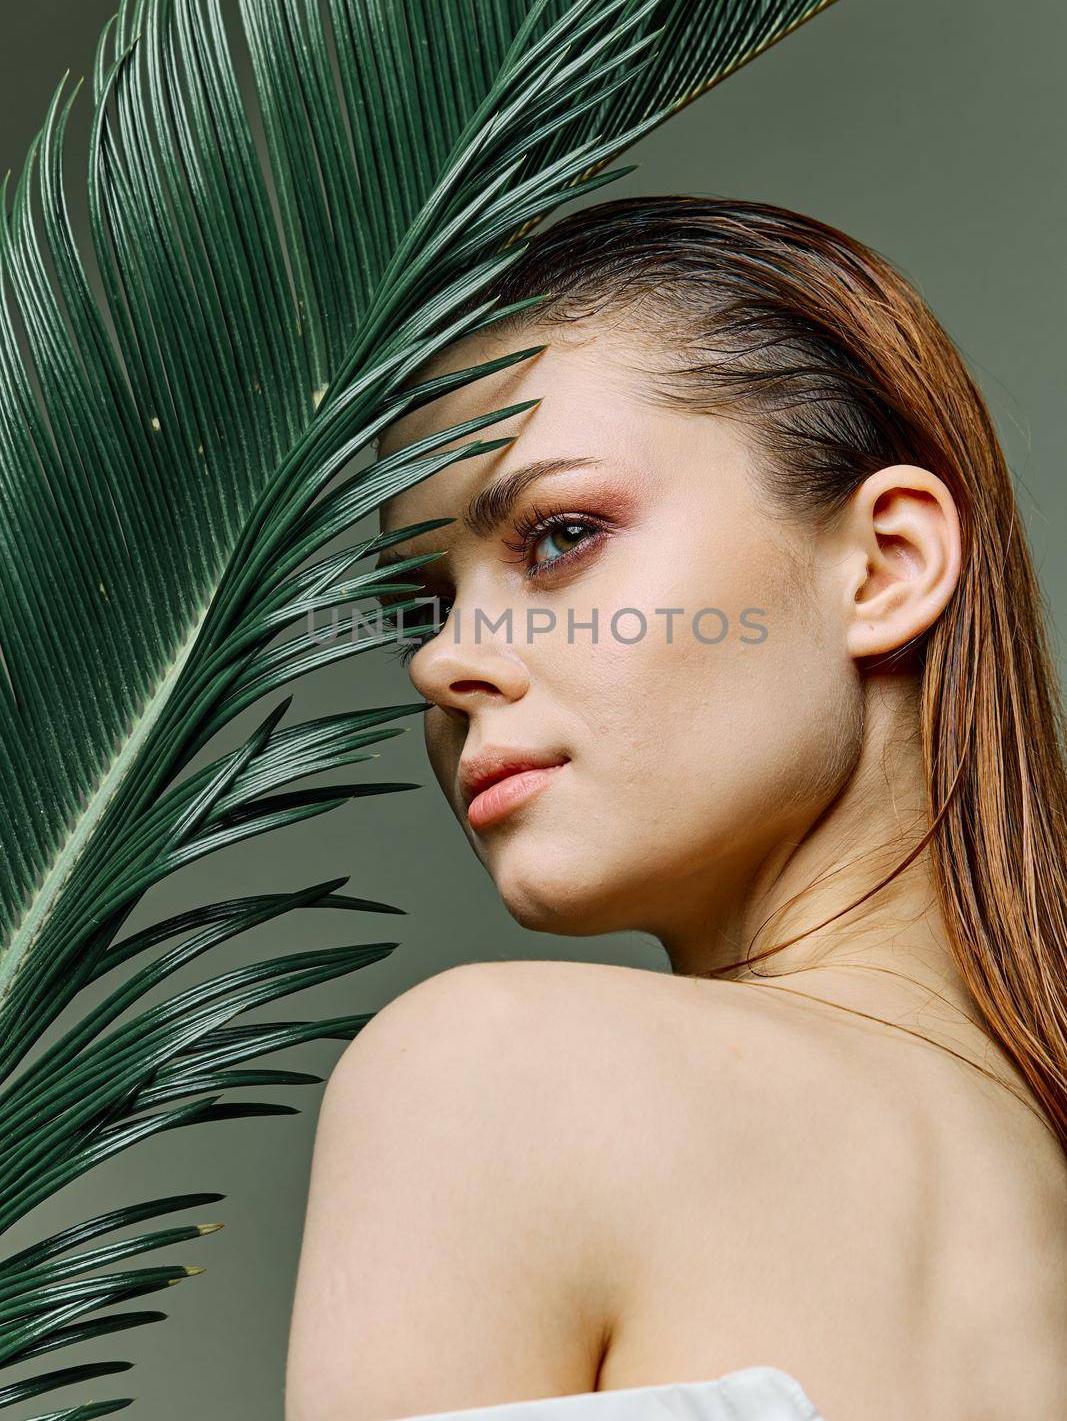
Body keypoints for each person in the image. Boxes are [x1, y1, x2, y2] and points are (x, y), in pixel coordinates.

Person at [284, 196, 1067, 1421]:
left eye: (558, 538)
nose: (442, 663)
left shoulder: (495, 1070)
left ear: (886, 565)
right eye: (420, 607)